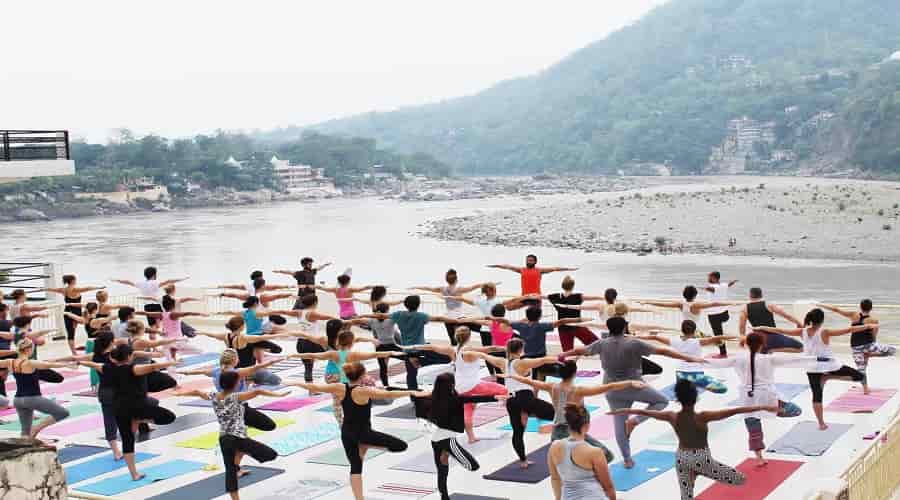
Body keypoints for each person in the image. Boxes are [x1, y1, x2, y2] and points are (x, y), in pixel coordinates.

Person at [558, 317, 705, 468]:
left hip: (612, 390)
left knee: (619, 424)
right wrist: (688, 357)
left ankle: (627, 459)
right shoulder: (633, 342)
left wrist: (563, 355)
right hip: (635, 386)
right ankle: (635, 421)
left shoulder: (601, 343)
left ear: (609, 329)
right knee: (662, 401)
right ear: (624, 328)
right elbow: (662, 351)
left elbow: (579, 350)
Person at [609, 379, 776, 500]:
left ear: (678, 399)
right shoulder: (703, 417)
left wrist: (623, 410)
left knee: (686, 497)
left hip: (681, 458)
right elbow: (736, 410)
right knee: (740, 479)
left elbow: (647, 412)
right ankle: (698, 472)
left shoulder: (671, 416)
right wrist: (763, 406)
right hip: (701, 459)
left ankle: (695, 474)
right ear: (695, 399)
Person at [286, 362, 425, 500]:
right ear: (362, 375)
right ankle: (367, 444)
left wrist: (293, 383)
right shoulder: (362, 391)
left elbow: (315, 386)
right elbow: (388, 394)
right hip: (364, 434)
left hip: (346, 433)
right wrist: (412, 392)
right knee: (401, 446)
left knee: (355, 466)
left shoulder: (340, 387)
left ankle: (359, 499)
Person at [57, 329, 168, 459]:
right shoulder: (117, 355)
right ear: (111, 342)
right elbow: (140, 354)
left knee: (109, 421)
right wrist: (157, 355)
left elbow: (74, 358)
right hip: (119, 392)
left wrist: (52, 361)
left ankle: (116, 451)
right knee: (145, 406)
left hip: (104, 392)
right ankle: (136, 426)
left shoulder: (94, 356)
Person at [175, 372, 286, 500]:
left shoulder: (214, 396)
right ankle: (242, 451)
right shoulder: (236, 397)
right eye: (238, 381)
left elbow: (196, 391)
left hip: (224, 438)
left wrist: (180, 394)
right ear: (234, 384)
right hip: (238, 438)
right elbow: (258, 392)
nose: (240, 383)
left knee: (230, 470)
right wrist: (279, 394)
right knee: (271, 454)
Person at [501, 360, 637, 462]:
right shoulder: (578, 391)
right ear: (575, 373)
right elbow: (609, 386)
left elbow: (529, 382)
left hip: (556, 434)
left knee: (567, 466)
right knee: (606, 456)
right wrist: (630, 383)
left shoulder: (551, 386)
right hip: (571, 431)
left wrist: (512, 376)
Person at [704, 333, 808, 465]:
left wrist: (689, 359)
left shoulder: (738, 359)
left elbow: (715, 363)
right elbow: (795, 361)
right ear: (763, 344)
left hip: (748, 398)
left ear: (746, 344)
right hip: (767, 396)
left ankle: (759, 458)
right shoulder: (767, 359)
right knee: (796, 410)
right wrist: (819, 359)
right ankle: (771, 411)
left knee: (753, 428)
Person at [754, 308, 867, 430]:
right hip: (829, 365)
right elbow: (849, 329)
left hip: (812, 367)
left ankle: (821, 423)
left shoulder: (802, 331)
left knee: (817, 395)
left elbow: (780, 330)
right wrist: (867, 326)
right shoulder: (825, 332)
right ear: (822, 320)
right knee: (860, 376)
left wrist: (761, 328)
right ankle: (829, 376)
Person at [80, 344, 178, 480]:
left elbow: (93, 364)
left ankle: (134, 474)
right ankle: (140, 419)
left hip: (119, 408)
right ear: (129, 357)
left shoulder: (107, 368)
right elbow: (152, 367)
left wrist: (79, 361)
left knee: (127, 440)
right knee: (169, 417)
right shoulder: (134, 369)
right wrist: (172, 362)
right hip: (138, 406)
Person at [414, 372, 507, 500]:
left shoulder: (433, 397)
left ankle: (444, 498)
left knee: (442, 472)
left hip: (436, 439)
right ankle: (447, 454)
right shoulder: (455, 399)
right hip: (447, 441)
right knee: (473, 466)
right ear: (451, 385)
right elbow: (474, 398)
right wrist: (496, 397)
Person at [406, 327, 507, 443]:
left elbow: (433, 347)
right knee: (503, 390)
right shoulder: (469, 349)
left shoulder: (452, 350)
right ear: (469, 337)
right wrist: (506, 348)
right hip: (474, 384)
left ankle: (471, 438)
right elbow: (490, 348)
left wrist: (414, 347)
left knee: (469, 410)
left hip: (460, 387)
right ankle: (509, 406)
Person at [292, 328, 400, 424]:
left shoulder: (333, 353)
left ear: (339, 341)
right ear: (352, 343)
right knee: (352, 399)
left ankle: (341, 422)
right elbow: (374, 354)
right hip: (346, 381)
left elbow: (313, 355)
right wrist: (392, 352)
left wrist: (296, 355)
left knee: (337, 401)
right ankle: (353, 421)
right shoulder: (354, 354)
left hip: (332, 378)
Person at [363, 295, 457, 390]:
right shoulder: (421, 316)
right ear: (418, 305)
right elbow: (439, 318)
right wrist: (457, 320)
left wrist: (362, 316)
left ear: (405, 305)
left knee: (411, 375)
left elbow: (381, 316)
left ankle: (413, 396)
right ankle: (420, 362)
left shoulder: (398, 315)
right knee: (448, 357)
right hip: (421, 348)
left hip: (407, 350)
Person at [179, 348, 283, 432]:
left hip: (223, 407)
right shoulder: (237, 373)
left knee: (232, 431)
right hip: (239, 406)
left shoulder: (215, 371)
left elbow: (201, 372)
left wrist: (187, 372)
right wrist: (273, 362)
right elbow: (256, 368)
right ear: (235, 360)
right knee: (269, 425)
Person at [0, 339, 72, 443]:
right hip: (33, 398)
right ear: (29, 349)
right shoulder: (30, 363)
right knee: (62, 413)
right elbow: (47, 365)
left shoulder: (10, 362)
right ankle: (36, 428)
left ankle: (24, 451)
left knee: (25, 433)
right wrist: (66, 365)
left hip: (18, 400)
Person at [503, 338, 561, 467]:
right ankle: (554, 434)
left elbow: (484, 355)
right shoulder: (522, 362)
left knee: (518, 432)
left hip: (511, 400)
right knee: (559, 415)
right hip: (525, 398)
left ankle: (523, 461)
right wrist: (561, 358)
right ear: (521, 349)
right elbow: (543, 360)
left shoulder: (503, 362)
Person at [636, 320, 736, 393]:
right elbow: (720, 337)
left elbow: (655, 337)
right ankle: (700, 386)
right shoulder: (698, 342)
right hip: (696, 375)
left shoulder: (674, 341)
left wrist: (634, 336)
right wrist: (740, 337)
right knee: (723, 389)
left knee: (686, 395)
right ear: (695, 330)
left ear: (682, 330)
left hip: (680, 375)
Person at [818, 300, 895, 394]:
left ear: (860, 306)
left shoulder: (853, 315)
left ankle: (865, 389)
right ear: (871, 308)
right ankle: (869, 355)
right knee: (892, 351)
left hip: (855, 346)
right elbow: (874, 336)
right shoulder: (873, 321)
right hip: (869, 345)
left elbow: (836, 309)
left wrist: (820, 304)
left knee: (861, 370)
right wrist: (873, 349)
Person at [548, 404, 616, 500]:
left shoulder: (554, 447)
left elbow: (555, 479)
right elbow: (608, 487)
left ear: (568, 424)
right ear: (587, 426)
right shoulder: (595, 452)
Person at [266, 294, 339, 383]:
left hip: (301, 343)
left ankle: (311, 390)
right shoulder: (312, 313)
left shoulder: (299, 312)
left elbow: (284, 312)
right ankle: (335, 377)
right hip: (312, 342)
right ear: (315, 303)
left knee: (308, 367)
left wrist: (269, 312)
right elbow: (328, 317)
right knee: (335, 355)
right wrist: (341, 320)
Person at [197, 316, 287, 386]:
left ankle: (246, 381)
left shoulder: (226, 336)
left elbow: (213, 335)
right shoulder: (243, 338)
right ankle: (249, 380)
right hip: (249, 370)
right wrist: (282, 334)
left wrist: (202, 332)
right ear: (241, 327)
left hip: (236, 370)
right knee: (277, 381)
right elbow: (261, 337)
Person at [413, 270, 491, 345]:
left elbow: (429, 288)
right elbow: (474, 287)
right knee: (480, 328)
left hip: (447, 319)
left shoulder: (442, 289)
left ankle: (455, 354)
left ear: (446, 280)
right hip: (459, 319)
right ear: (456, 280)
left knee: (454, 342)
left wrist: (417, 287)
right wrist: (489, 285)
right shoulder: (459, 290)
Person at [510, 305, 585, 380]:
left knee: (534, 378)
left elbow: (508, 322)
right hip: (541, 358)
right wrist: (579, 319)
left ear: (527, 316)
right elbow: (562, 321)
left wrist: (522, 321)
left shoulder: (520, 326)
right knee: (543, 375)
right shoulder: (542, 326)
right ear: (539, 317)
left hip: (527, 358)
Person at [112, 267, 188, 337]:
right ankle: (168, 333)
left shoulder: (141, 284)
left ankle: (155, 344)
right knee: (165, 320)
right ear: (154, 274)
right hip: (157, 305)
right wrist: (183, 279)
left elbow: (128, 282)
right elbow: (169, 281)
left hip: (147, 306)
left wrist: (116, 280)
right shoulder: (156, 283)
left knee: (153, 326)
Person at [42, 274, 105, 355]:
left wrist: (44, 289)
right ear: (72, 281)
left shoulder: (63, 290)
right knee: (89, 324)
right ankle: (91, 343)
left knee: (71, 334)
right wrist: (99, 288)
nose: (76, 280)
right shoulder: (75, 289)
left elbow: (52, 289)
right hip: (76, 313)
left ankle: (74, 352)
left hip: (68, 312)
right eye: (75, 279)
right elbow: (88, 288)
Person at [637, 285, 736, 336]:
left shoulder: (681, 304)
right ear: (695, 295)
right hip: (694, 330)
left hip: (684, 329)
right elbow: (714, 304)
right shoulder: (696, 305)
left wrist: (646, 302)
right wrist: (730, 303)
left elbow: (663, 304)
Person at [488, 254, 578, 308]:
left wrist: (569, 269)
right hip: (524, 297)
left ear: (535, 262)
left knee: (533, 317)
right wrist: (495, 265)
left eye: (531, 260)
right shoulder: (521, 270)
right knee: (508, 308)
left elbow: (555, 268)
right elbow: (508, 267)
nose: (528, 262)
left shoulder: (540, 270)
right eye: (527, 260)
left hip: (536, 298)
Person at [546, 276, 606, 352]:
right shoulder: (577, 297)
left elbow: (542, 297)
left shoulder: (555, 297)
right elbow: (593, 297)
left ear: (563, 286)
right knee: (595, 342)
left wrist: (530, 297)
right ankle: (581, 354)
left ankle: (572, 360)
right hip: (577, 327)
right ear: (573, 286)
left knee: (567, 352)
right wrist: (604, 298)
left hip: (563, 328)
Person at [141, 295, 208, 360]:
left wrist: (134, 312)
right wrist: (201, 314)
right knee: (200, 351)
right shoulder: (173, 314)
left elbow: (146, 313)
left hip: (166, 341)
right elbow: (187, 313)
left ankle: (171, 358)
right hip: (177, 341)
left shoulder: (161, 314)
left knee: (169, 356)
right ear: (173, 305)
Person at [738, 287, 803, 353]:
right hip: (773, 336)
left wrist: (742, 340)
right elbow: (787, 316)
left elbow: (742, 327)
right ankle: (772, 350)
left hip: (757, 339)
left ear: (750, 295)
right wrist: (799, 323)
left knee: (759, 348)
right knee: (801, 348)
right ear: (761, 295)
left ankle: (766, 350)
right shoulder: (768, 304)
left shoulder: (745, 309)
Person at [367, 302, 403, 386]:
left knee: (383, 368)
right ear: (386, 311)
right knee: (408, 359)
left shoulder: (372, 320)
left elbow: (375, 334)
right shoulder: (391, 319)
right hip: (392, 345)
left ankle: (386, 386)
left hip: (380, 346)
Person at [703, 272, 739, 357]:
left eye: (709, 277)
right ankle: (723, 349)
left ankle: (723, 353)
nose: (707, 278)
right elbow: (728, 284)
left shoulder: (712, 287)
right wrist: (733, 282)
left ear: (714, 278)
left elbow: (710, 289)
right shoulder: (723, 285)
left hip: (714, 315)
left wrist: (699, 288)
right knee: (719, 333)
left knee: (718, 335)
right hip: (724, 314)